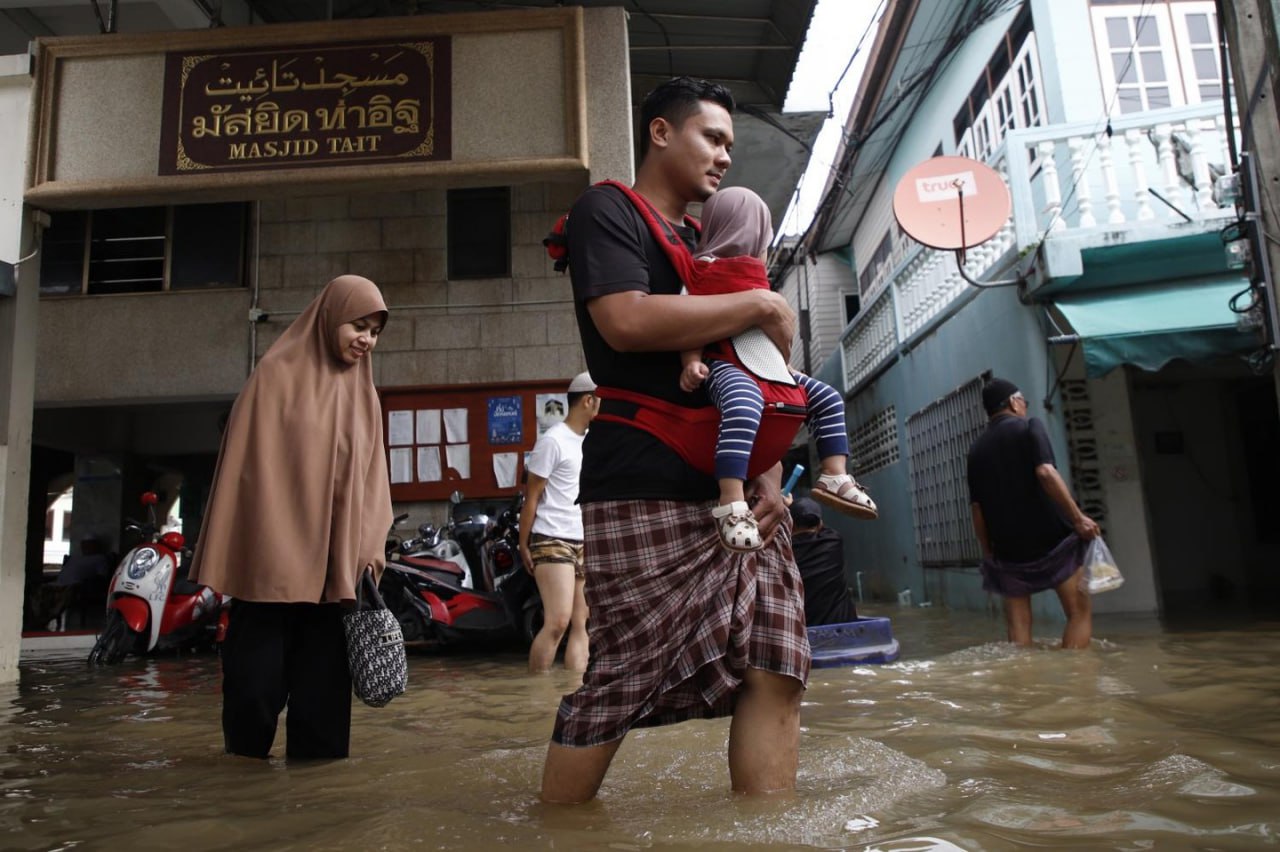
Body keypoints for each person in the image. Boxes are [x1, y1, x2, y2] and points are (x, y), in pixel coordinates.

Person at [541, 76, 809, 804]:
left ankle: (765, 834)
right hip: (640, 477)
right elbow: (624, 321)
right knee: (621, 677)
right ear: (661, 133)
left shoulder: (707, 243)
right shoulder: (607, 211)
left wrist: (770, 471)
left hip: (736, 486)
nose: (725, 157)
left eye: (730, 144)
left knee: (777, 663)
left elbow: (747, 366)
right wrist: (756, 299)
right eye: (712, 138)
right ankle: (557, 829)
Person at [188, 274, 393, 760]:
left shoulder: (364, 396)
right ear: (329, 319)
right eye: (357, 325)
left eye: (375, 331)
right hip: (270, 574)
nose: (366, 339)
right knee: (251, 702)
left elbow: (373, 481)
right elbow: (248, 472)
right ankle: (248, 808)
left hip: (332, 578)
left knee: (322, 721)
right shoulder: (274, 377)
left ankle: (313, 819)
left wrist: (368, 546)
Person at [678, 186, 877, 552]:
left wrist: (786, 370)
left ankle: (834, 474)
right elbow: (690, 319)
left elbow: (773, 339)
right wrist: (691, 361)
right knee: (743, 402)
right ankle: (731, 499)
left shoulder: (757, 275)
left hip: (769, 367)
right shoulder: (703, 272)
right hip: (724, 362)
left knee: (827, 397)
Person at [967, 378, 1100, 649]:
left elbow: (977, 509)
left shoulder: (976, 450)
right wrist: (1078, 519)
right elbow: (1046, 472)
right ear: (1015, 403)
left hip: (1008, 551)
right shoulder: (1029, 426)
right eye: (1023, 402)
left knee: (1019, 627)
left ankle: (1023, 684)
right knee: (1078, 612)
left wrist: (989, 552)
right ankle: (1078, 681)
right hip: (1054, 543)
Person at [519, 371, 599, 673]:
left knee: (582, 624)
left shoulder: (591, 441)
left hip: (583, 538)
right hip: (551, 536)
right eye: (601, 400)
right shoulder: (552, 440)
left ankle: (573, 694)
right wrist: (523, 544)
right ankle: (536, 695)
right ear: (588, 401)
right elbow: (533, 496)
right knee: (558, 621)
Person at [788, 497, 857, 626]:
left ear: (790, 524)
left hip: (804, 629)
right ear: (820, 524)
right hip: (841, 625)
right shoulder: (833, 541)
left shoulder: (783, 550)